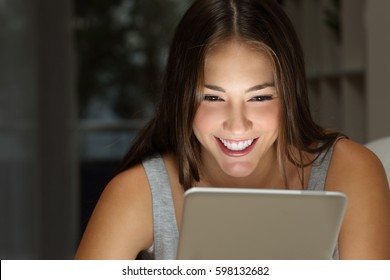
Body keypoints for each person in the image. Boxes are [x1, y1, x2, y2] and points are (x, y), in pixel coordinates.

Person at [75, 0, 390, 260]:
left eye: (260, 97)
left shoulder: (350, 172)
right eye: (212, 97)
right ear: (181, 97)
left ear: (290, 96)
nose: (237, 124)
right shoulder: (140, 192)